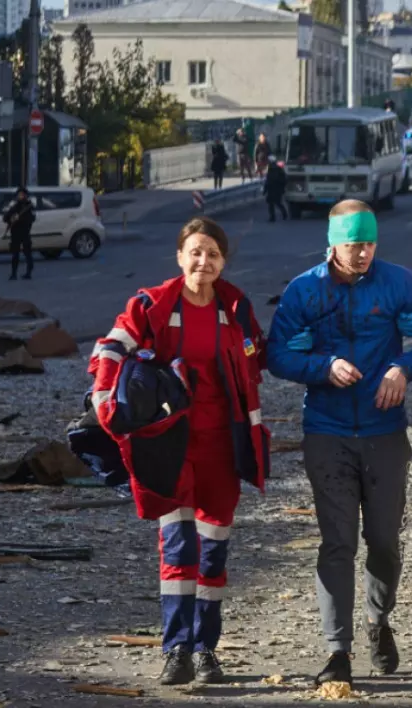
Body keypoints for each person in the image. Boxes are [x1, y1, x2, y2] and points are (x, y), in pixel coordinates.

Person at [267, 200, 412, 688]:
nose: (363, 253)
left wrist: (404, 368)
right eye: (354, 245)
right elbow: (277, 354)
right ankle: (337, 651)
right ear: (333, 243)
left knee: (384, 542)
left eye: (369, 243)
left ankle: (378, 619)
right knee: (337, 542)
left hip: (384, 431)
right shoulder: (305, 290)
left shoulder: (399, 283)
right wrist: (321, 367)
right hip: (326, 431)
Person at [89, 216, 270, 687]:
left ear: (223, 260)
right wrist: (105, 402)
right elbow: (110, 347)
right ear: (179, 256)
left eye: (212, 253)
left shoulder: (236, 307)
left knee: (213, 552)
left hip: (222, 446)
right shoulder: (151, 304)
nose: (203, 261)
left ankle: (206, 649)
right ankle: (176, 651)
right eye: (195, 251)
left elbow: (258, 359)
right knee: (177, 546)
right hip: (168, 445)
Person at [3, 187, 36, 280]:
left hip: (25, 232)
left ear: (26, 195)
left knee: (28, 254)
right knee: (15, 255)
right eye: (19, 194)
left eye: (22, 194)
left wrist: (20, 219)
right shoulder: (15, 206)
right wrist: (11, 218)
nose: (21, 196)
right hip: (15, 233)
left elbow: (32, 219)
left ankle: (28, 273)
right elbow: (5, 217)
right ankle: (14, 274)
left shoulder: (29, 206)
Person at [263, 155, 287, 222]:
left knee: (271, 204)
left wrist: (265, 190)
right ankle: (284, 214)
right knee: (278, 203)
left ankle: (272, 217)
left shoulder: (270, 170)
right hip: (277, 189)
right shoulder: (279, 169)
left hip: (272, 189)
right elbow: (284, 180)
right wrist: (282, 188)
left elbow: (268, 181)